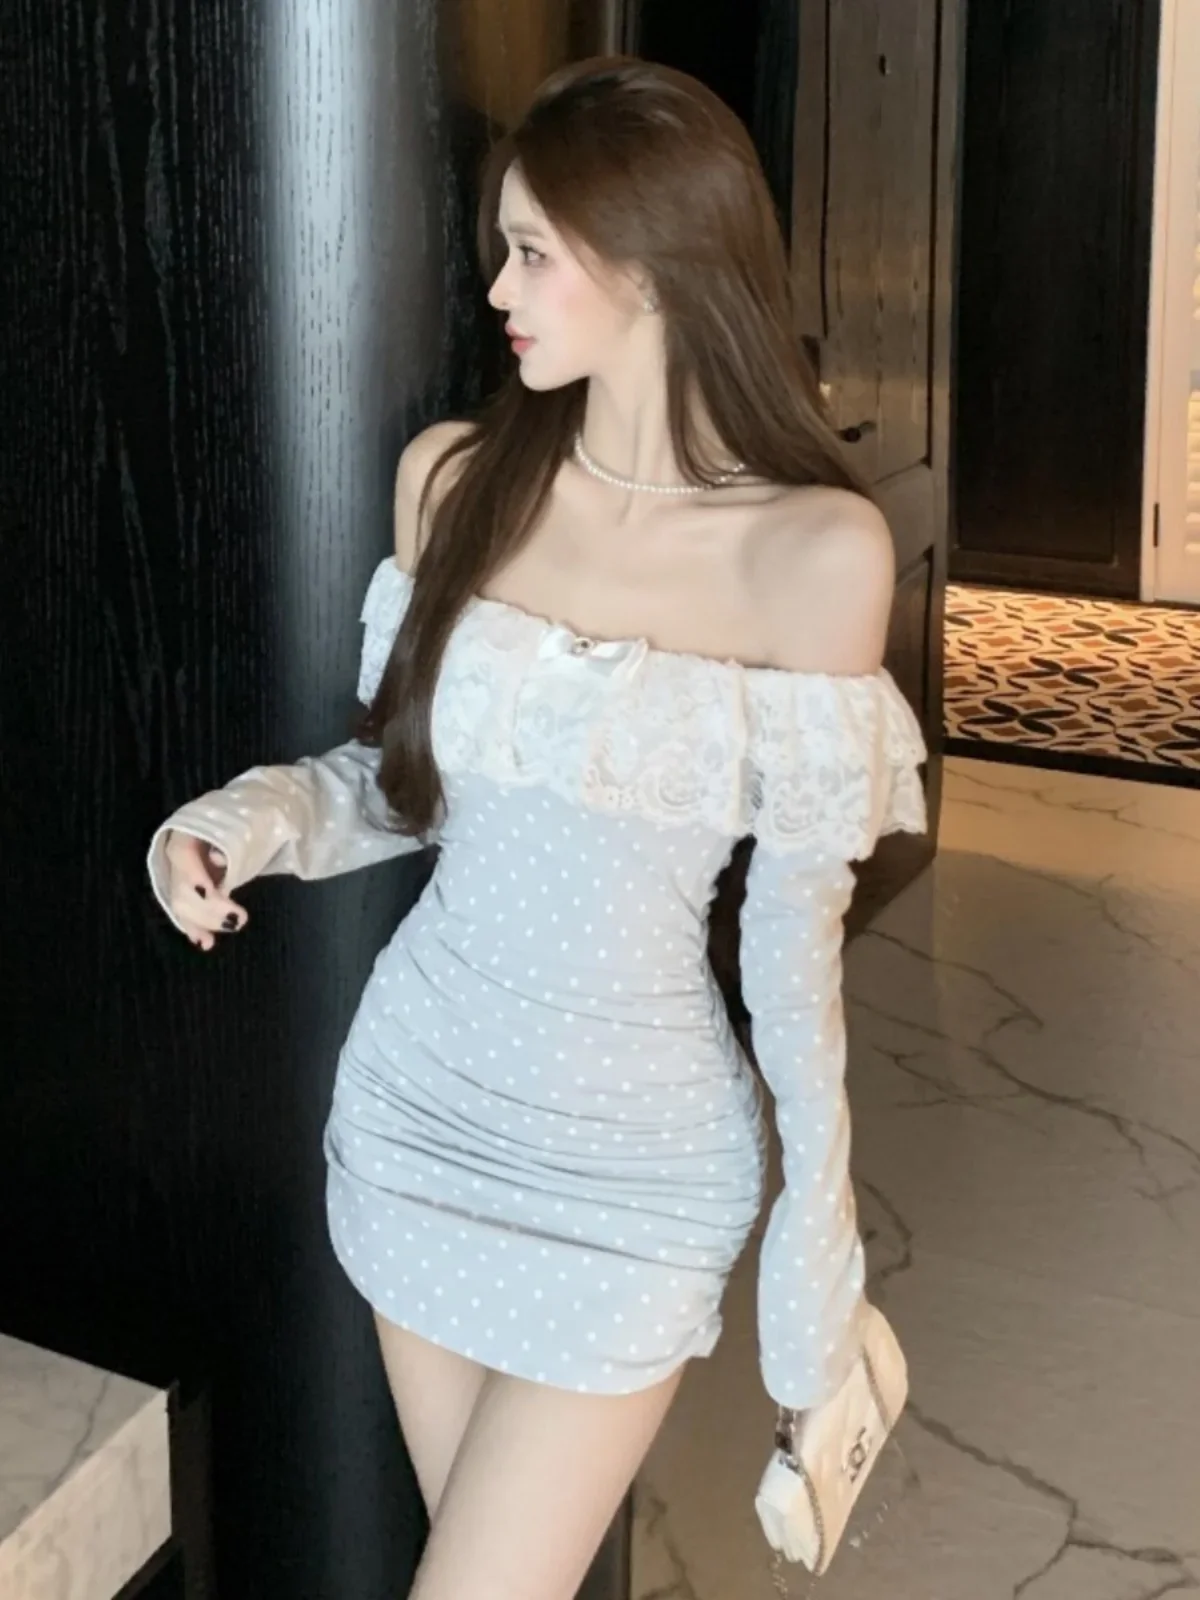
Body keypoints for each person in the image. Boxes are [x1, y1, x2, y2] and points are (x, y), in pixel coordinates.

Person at [147, 54, 927, 1600]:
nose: (497, 291)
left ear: (655, 260)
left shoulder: (814, 555)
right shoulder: (455, 483)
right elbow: (404, 783)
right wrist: (251, 820)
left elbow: (793, 962)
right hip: (420, 1116)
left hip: (634, 1179)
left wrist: (812, 1300)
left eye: (530, 252)